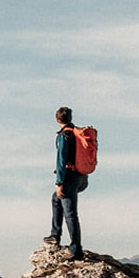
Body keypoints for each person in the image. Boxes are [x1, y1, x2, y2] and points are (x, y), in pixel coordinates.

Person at [43, 106, 88, 259]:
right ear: (70, 118)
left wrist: (59, 183)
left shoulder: (65, 135)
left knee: (70, 213)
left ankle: (76, 250)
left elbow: (61, 161)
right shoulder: (77, 134)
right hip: (81, 177)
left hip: (69, 177)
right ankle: (55, 234)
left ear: (57, 120)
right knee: (56, 199)